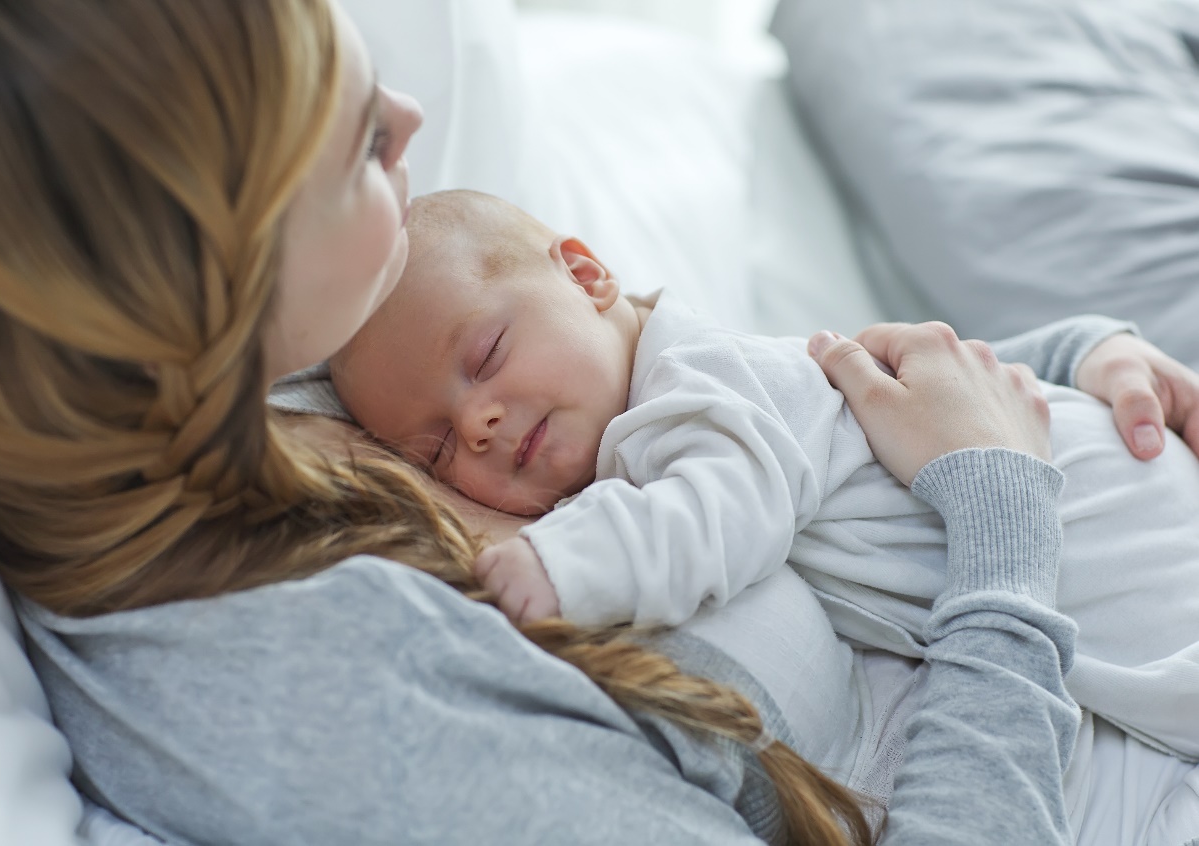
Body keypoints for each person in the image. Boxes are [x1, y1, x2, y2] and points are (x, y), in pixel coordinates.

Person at [0, 1, 1191, 844]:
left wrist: (1066, 361)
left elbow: (784, 384)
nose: (412, 119)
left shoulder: (320, 368)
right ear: (198, 268)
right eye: (356, 142)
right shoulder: (315, 685)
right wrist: (1001, 520)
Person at [334, 189, 1199, 763]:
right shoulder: (712, 382)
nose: (477, 425)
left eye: (485, 355)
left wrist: (559, 566)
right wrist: (1081, 347)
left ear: (589, 276)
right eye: (437, 452)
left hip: (1124, 534)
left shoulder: (697, 386)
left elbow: (723, 510)